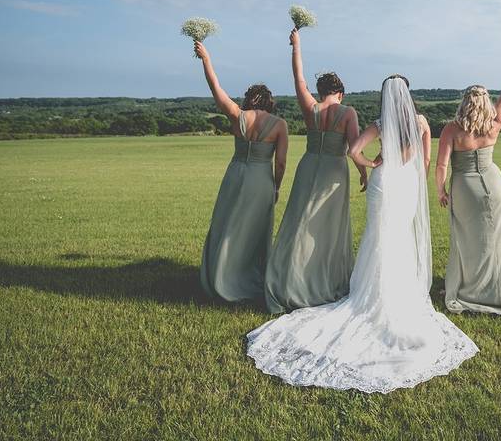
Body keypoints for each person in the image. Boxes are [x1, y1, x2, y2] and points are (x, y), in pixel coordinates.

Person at [246, 75, 478, 392]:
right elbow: (424, 159)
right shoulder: (421, 122)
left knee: (378, 238)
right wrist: (414, 178)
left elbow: (353, 150)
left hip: (382, 183)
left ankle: (370, 294)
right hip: (406, 186)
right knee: (398, 241)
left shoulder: (381, 123)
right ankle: (398, 294)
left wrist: (373, 163)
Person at [264, 28, 364, 313]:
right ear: (340, 94)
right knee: (328, 229)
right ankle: (324, 279)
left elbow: (298, 78)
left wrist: (296, 46)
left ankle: (291, 280)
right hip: (334, 173)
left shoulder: (311, 108)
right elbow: (355, 147)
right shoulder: (348, 113)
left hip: (308, 167)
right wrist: (364, 171)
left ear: (320, 93)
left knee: (300, 221)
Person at [435, 51, 501, 315]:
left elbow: (442, 165)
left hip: (465, 187)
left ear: (465, 102)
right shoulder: (495, 123)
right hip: (494, 184)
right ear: (485, 103)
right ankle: (497, 289)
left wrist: (441, 190)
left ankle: (467, 289)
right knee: (496, 238)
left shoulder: (452, 130)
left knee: (468, 239)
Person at [194, 40, 288, 303]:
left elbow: (216, 88)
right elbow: (280, 163)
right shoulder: (279, 124)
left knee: (228, 223)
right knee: (255, 230)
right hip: (261, 180)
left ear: (249, 99)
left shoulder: (237, 115)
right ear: (269, 103)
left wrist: (206, 59)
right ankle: (251, 276)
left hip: (236, 174)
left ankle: (222, 276)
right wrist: (277, 186)